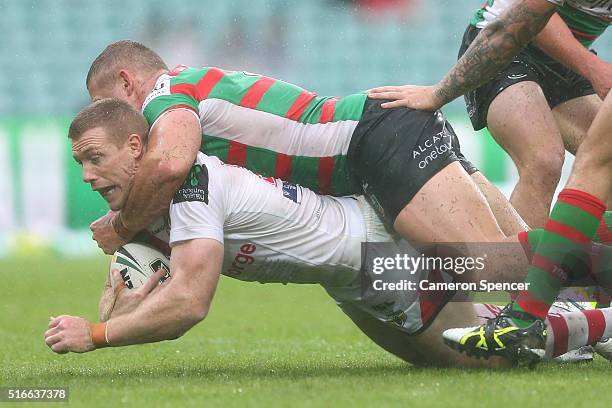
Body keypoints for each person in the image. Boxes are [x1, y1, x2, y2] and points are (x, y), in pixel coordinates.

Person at [44, 99, 612, 366]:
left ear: (138, 147)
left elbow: (190, 302)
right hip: (354, 276)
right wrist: (119, 301)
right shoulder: (156, 207)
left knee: (499, 281)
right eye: (81, 166)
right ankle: (588, 325)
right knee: (479, 338)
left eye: (95, 159)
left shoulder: (187, 180)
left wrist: (96, 335)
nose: (89, 176)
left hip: (376, 253)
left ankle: (600, 312)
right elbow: (143, 286)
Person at [84, 40, 529, 276]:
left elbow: (168, 165)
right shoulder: (190, 84)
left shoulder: (166, 92)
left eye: (107, 104)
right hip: (381, 135)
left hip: (373, 140)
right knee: (517, 254)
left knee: (486, 266)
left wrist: (123, 227)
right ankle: (594, 301)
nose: (113, 120)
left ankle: (586, 320)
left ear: (127, 82)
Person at [368, 0, 612, 360]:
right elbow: (522, 22)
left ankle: (598, 321)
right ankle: (523, 312)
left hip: (569, 58)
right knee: (543, 160)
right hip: (509, 48)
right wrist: (437, 94)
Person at [453, 1, 606, 227]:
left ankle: (579, 255)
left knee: (608, 156)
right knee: (544, 161)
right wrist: (595, 68)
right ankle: (520, 262)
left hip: (566, 55)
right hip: (505, 45)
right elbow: (532, 18)